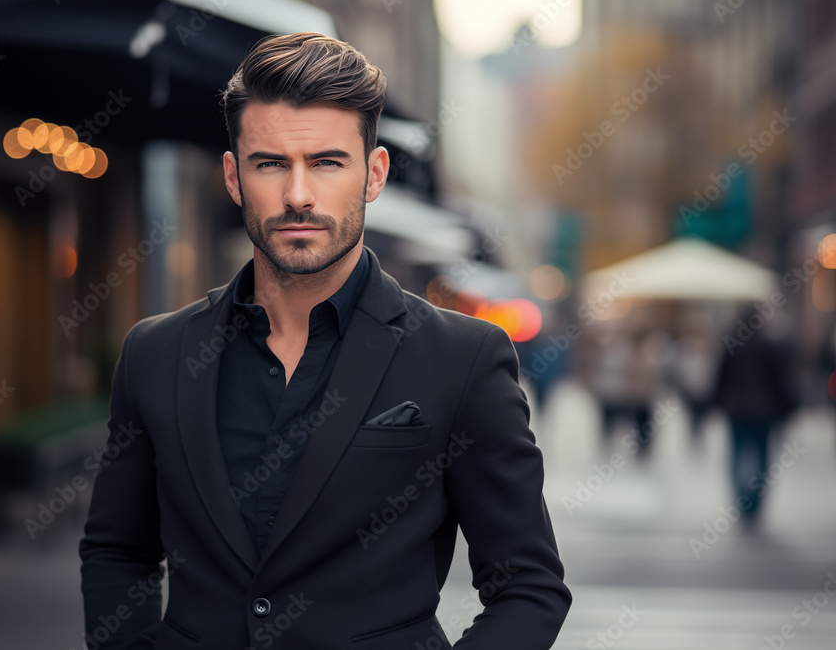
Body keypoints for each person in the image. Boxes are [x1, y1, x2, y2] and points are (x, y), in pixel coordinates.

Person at [79, 32, 571, 649]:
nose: (298, 195)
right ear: (233, 177)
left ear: (374, 174)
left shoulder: (462, 358)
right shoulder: (155, 354)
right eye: (270, 163)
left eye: (327, 162)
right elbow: (118, 552)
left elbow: (528, 586)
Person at [713, 306, 797, 521]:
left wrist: (716, 402)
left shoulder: (732, 345)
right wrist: (786, 408)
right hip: (764, 411)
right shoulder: (769, 346)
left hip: (738, 409)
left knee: (737, 454)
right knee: (762, 457)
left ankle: (742, 498)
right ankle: (755, 503)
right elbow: (781, 382)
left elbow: (720, 380)